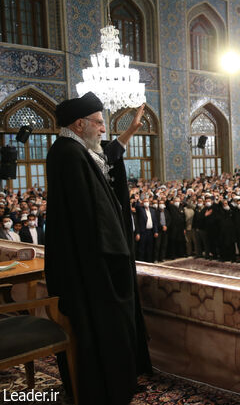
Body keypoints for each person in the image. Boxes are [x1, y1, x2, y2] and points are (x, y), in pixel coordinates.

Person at [45, 92, 151, 404]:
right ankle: (109, 390)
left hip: (96, 259)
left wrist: (131, 130)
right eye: (99, 123)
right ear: (80, 124)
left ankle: (119, 382)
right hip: (92, 264)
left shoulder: (76, 149)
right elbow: (88, 217)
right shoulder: (68, 154)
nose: (103, 130)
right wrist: (113, 254)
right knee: (105, 326)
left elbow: (107, 157)